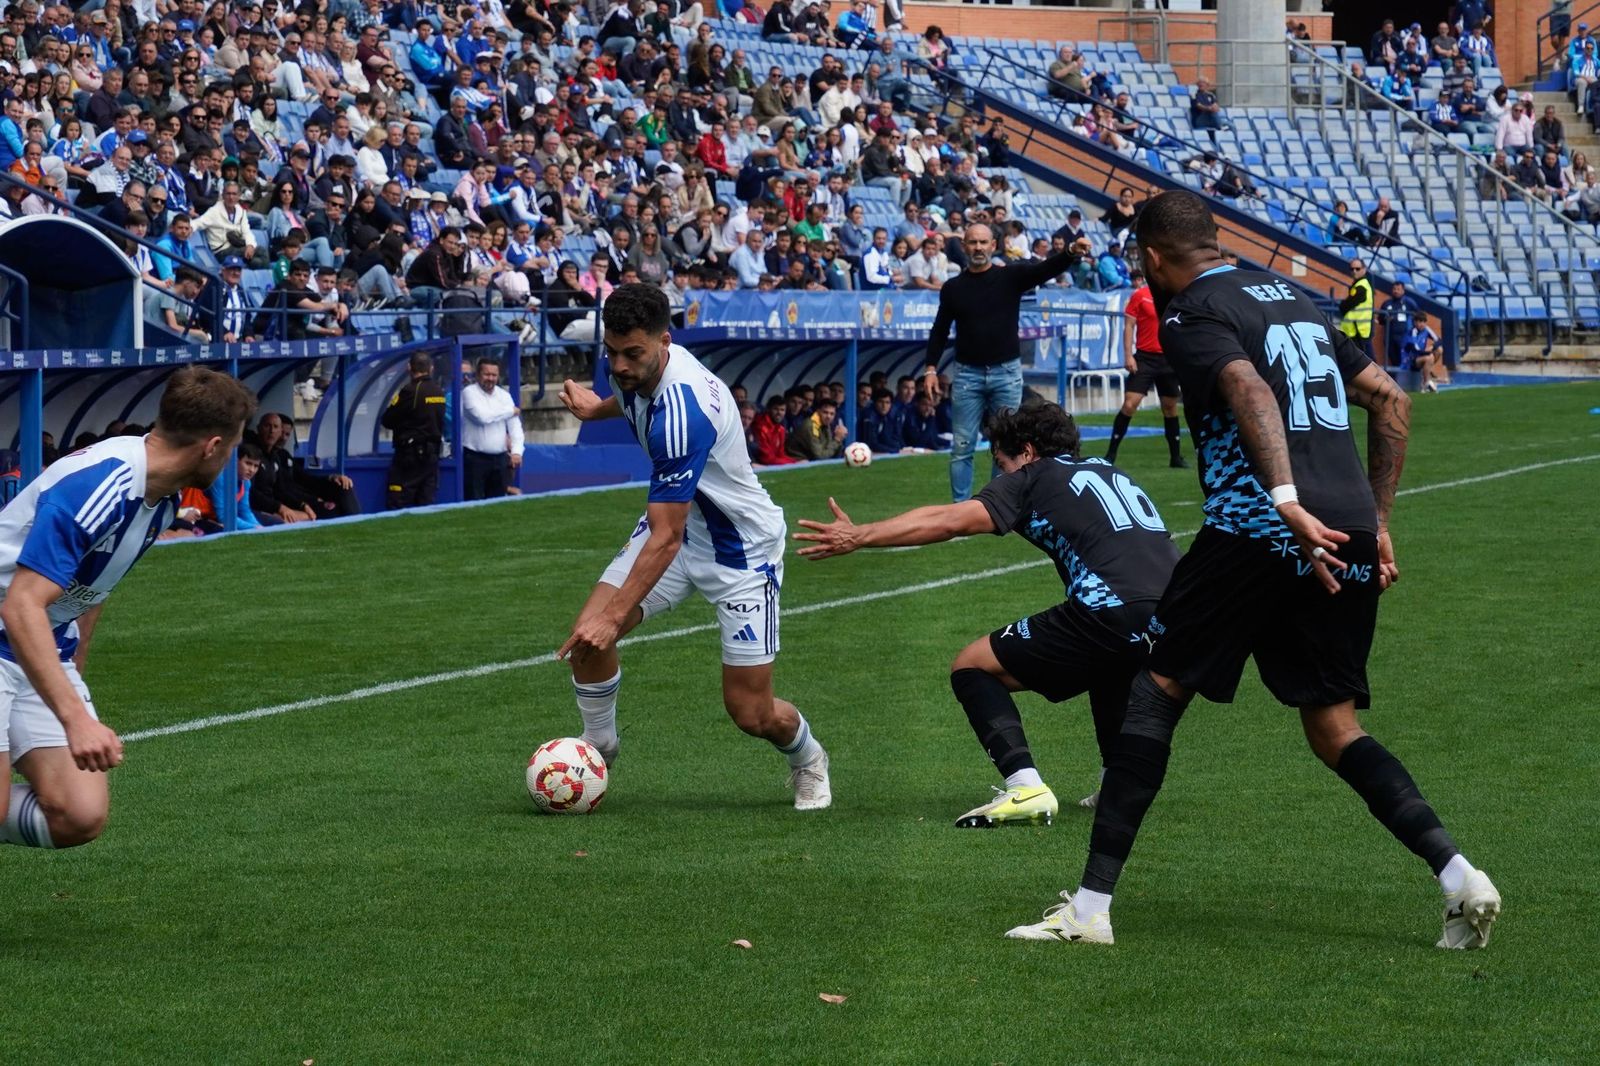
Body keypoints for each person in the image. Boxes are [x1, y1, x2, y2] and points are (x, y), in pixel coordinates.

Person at [1005, 190, 1500, 950]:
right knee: (1335, 727)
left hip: (1262, 528)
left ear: (1152, 257)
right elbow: (1390, 398)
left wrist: (1286, 500)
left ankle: (1090, 910)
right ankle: (1459, 875)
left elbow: (1245, 387)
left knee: (1157, 690)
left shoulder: (1189, 313)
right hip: (1349, 532)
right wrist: (1380, 521)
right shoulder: (1298, 300)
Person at [796, 400, 1179, 824]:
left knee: (971, 665)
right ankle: (1116, 782)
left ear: (1028, 452)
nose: (999, 476)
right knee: (1111, 661)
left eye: (1001, 463)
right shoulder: (1110, 470)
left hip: (1111, 607)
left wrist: (860, 535)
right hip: (1173, 610)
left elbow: (948, 519)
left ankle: (1024, 785)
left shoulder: (1034, 476)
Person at [555, 284, 832, 810]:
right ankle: (599, 749)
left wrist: (615, 618)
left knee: (752, 713)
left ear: (665, 341)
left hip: (740, 553)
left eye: (632, 354)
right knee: (587, 643)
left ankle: (809, 758)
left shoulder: (684, 413)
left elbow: (666, 537)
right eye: (610, 352)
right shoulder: (646, 366)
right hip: (678, 534)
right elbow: (636, 393)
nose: (618, 365)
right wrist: (599, 410)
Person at [0, 367, 256, 852]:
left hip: (37, 644)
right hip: (11, 627)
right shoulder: (103, 486)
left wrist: (72, 673)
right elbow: (21, 605)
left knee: (78, 814)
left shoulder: (159, 499)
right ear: (212, 445)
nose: (229, 458)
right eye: (232, 447)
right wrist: (76, 719)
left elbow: (93, 586)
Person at [924, 225, 1081, 502]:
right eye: (973, 242)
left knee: (1006, 445)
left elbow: (1043, 270)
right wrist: (930, 368)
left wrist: (1069, 253)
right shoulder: (953, 288)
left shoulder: (1010, 276)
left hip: (1006, 373)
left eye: (983, 242)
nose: (978, 248)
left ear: (993, 245)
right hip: (967, 375)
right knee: (962, 446)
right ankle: (961, 508)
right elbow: (939, 329)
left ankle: (997, 506)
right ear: (963, 245)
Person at [1105, 272, 1186, 469]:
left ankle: (1175, 458)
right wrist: (1128, 355)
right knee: (1130, 404)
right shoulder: (1140, 295)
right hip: (1145, 358)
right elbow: (1129, 325)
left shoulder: (1174, 296)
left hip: (1168, 359)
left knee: (1170, 407)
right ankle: (1110, 454)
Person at [381, 351, 446, 509]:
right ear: (431, 368)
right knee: (425, 500)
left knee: (398, 499)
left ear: (409, 367)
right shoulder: (438, 391)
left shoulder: (410, 390)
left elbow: (387, 419)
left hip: (410, 456)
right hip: (432, 455)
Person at [461, 357, 524, 500]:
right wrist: (509, 411)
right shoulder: (468, 393)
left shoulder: (504, 396)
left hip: (500, 460)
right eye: (486, 374)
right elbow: (482, 417)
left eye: (494, 375)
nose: (490, 378)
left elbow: (515, 427)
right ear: (477, 375)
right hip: (475, 459)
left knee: (497, 504)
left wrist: (517, 452)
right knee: (473, 502)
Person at [1339, 258, 1375, 361]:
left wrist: (1343, 304)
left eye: (1357, 268)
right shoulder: (1359, 285)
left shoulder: (1361, 286)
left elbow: (1345, 306)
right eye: (1352, 269)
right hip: (1355, 331)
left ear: (1364, 269)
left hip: (1358, 331)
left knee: (1366, 362)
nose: (1354, 271)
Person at [1401, 319, 1442, 393]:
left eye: (1423, 322)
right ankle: (1426, 383)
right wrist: (1427, 352)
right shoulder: (1412, 332)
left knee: (1439, 350)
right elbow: (1416, 350)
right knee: (1429, 357)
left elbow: (1439, 340)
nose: (1421, 324)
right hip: (1411, 360)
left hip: (1422, 357)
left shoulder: (1426, 329)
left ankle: (1426, 375)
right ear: (1415, 322)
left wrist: (1432, 347)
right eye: (1419, 322)